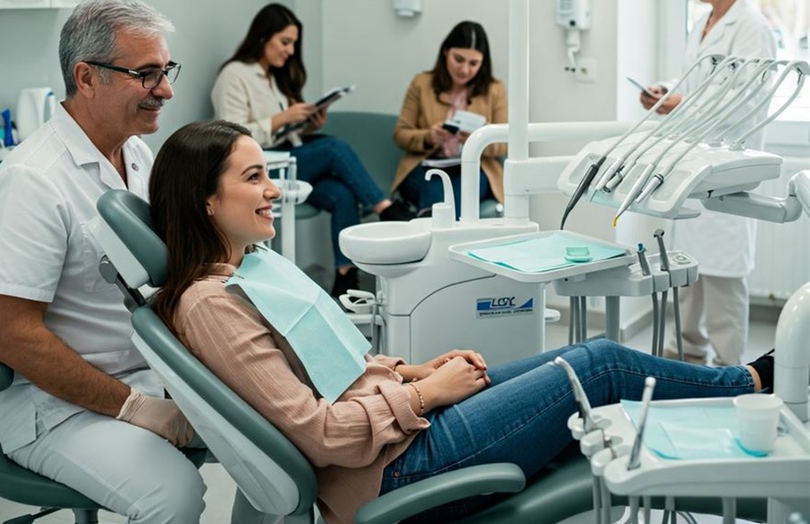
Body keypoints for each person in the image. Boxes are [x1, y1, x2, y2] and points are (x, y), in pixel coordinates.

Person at [148, 120, 775, 524]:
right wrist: (425, 393)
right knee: (597, 364)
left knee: (597, 360)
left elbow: (322, 362)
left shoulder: (249, 270)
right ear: (206, 200)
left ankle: (748, 391)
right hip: (389, 469)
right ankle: (753, 386)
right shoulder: (210, 305)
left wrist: (410, 370)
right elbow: (314, 431)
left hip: (397, 433)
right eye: (253, 177)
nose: (274, 189)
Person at [0, 2, 206, 522]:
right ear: (87, 77)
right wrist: (134, 407)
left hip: (147, 375)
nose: (166, 89)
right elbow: (13, 337)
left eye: (165, 71)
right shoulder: (31, 183)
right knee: (173, 495)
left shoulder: (139, 156)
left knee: (277, 435)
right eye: (145, 74)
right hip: (60, 409)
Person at [210, 3, 414, 297]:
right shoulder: (235, 75)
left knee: (342, 194)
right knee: (334, 147)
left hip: (287, 158)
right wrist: (284, 117)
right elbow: (231, 136)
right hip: (266, 165)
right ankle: (387, 209)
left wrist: (306, 124)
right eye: (285, 42)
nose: (290, 51)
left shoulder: (273, 79)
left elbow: (280, 131)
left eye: (293, 44)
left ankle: (345, 278)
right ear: (262, 37)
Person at [640, 0, 776, 366]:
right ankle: (687, 356)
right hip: (692, 164)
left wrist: (682, 103)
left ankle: (730, 370)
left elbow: (744, 101)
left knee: (723, 285)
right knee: (688, 276)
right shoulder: (703, 22)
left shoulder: (752, 28)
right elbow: (695, 81)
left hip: (728, 166)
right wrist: (665, 91)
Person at [392, 21, 507, 218]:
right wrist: (428, 137)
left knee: (464, 187)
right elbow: (400, 134)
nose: (464, 70)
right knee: (435, 186)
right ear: (446, 51)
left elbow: (504, 143)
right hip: (428, 166)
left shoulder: (495, 89)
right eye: (459, 59)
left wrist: (477, 139)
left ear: (483, 62)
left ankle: (432, 244)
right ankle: (441, 244)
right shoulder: (422, 83)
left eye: (473, 63)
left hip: (475, 168)